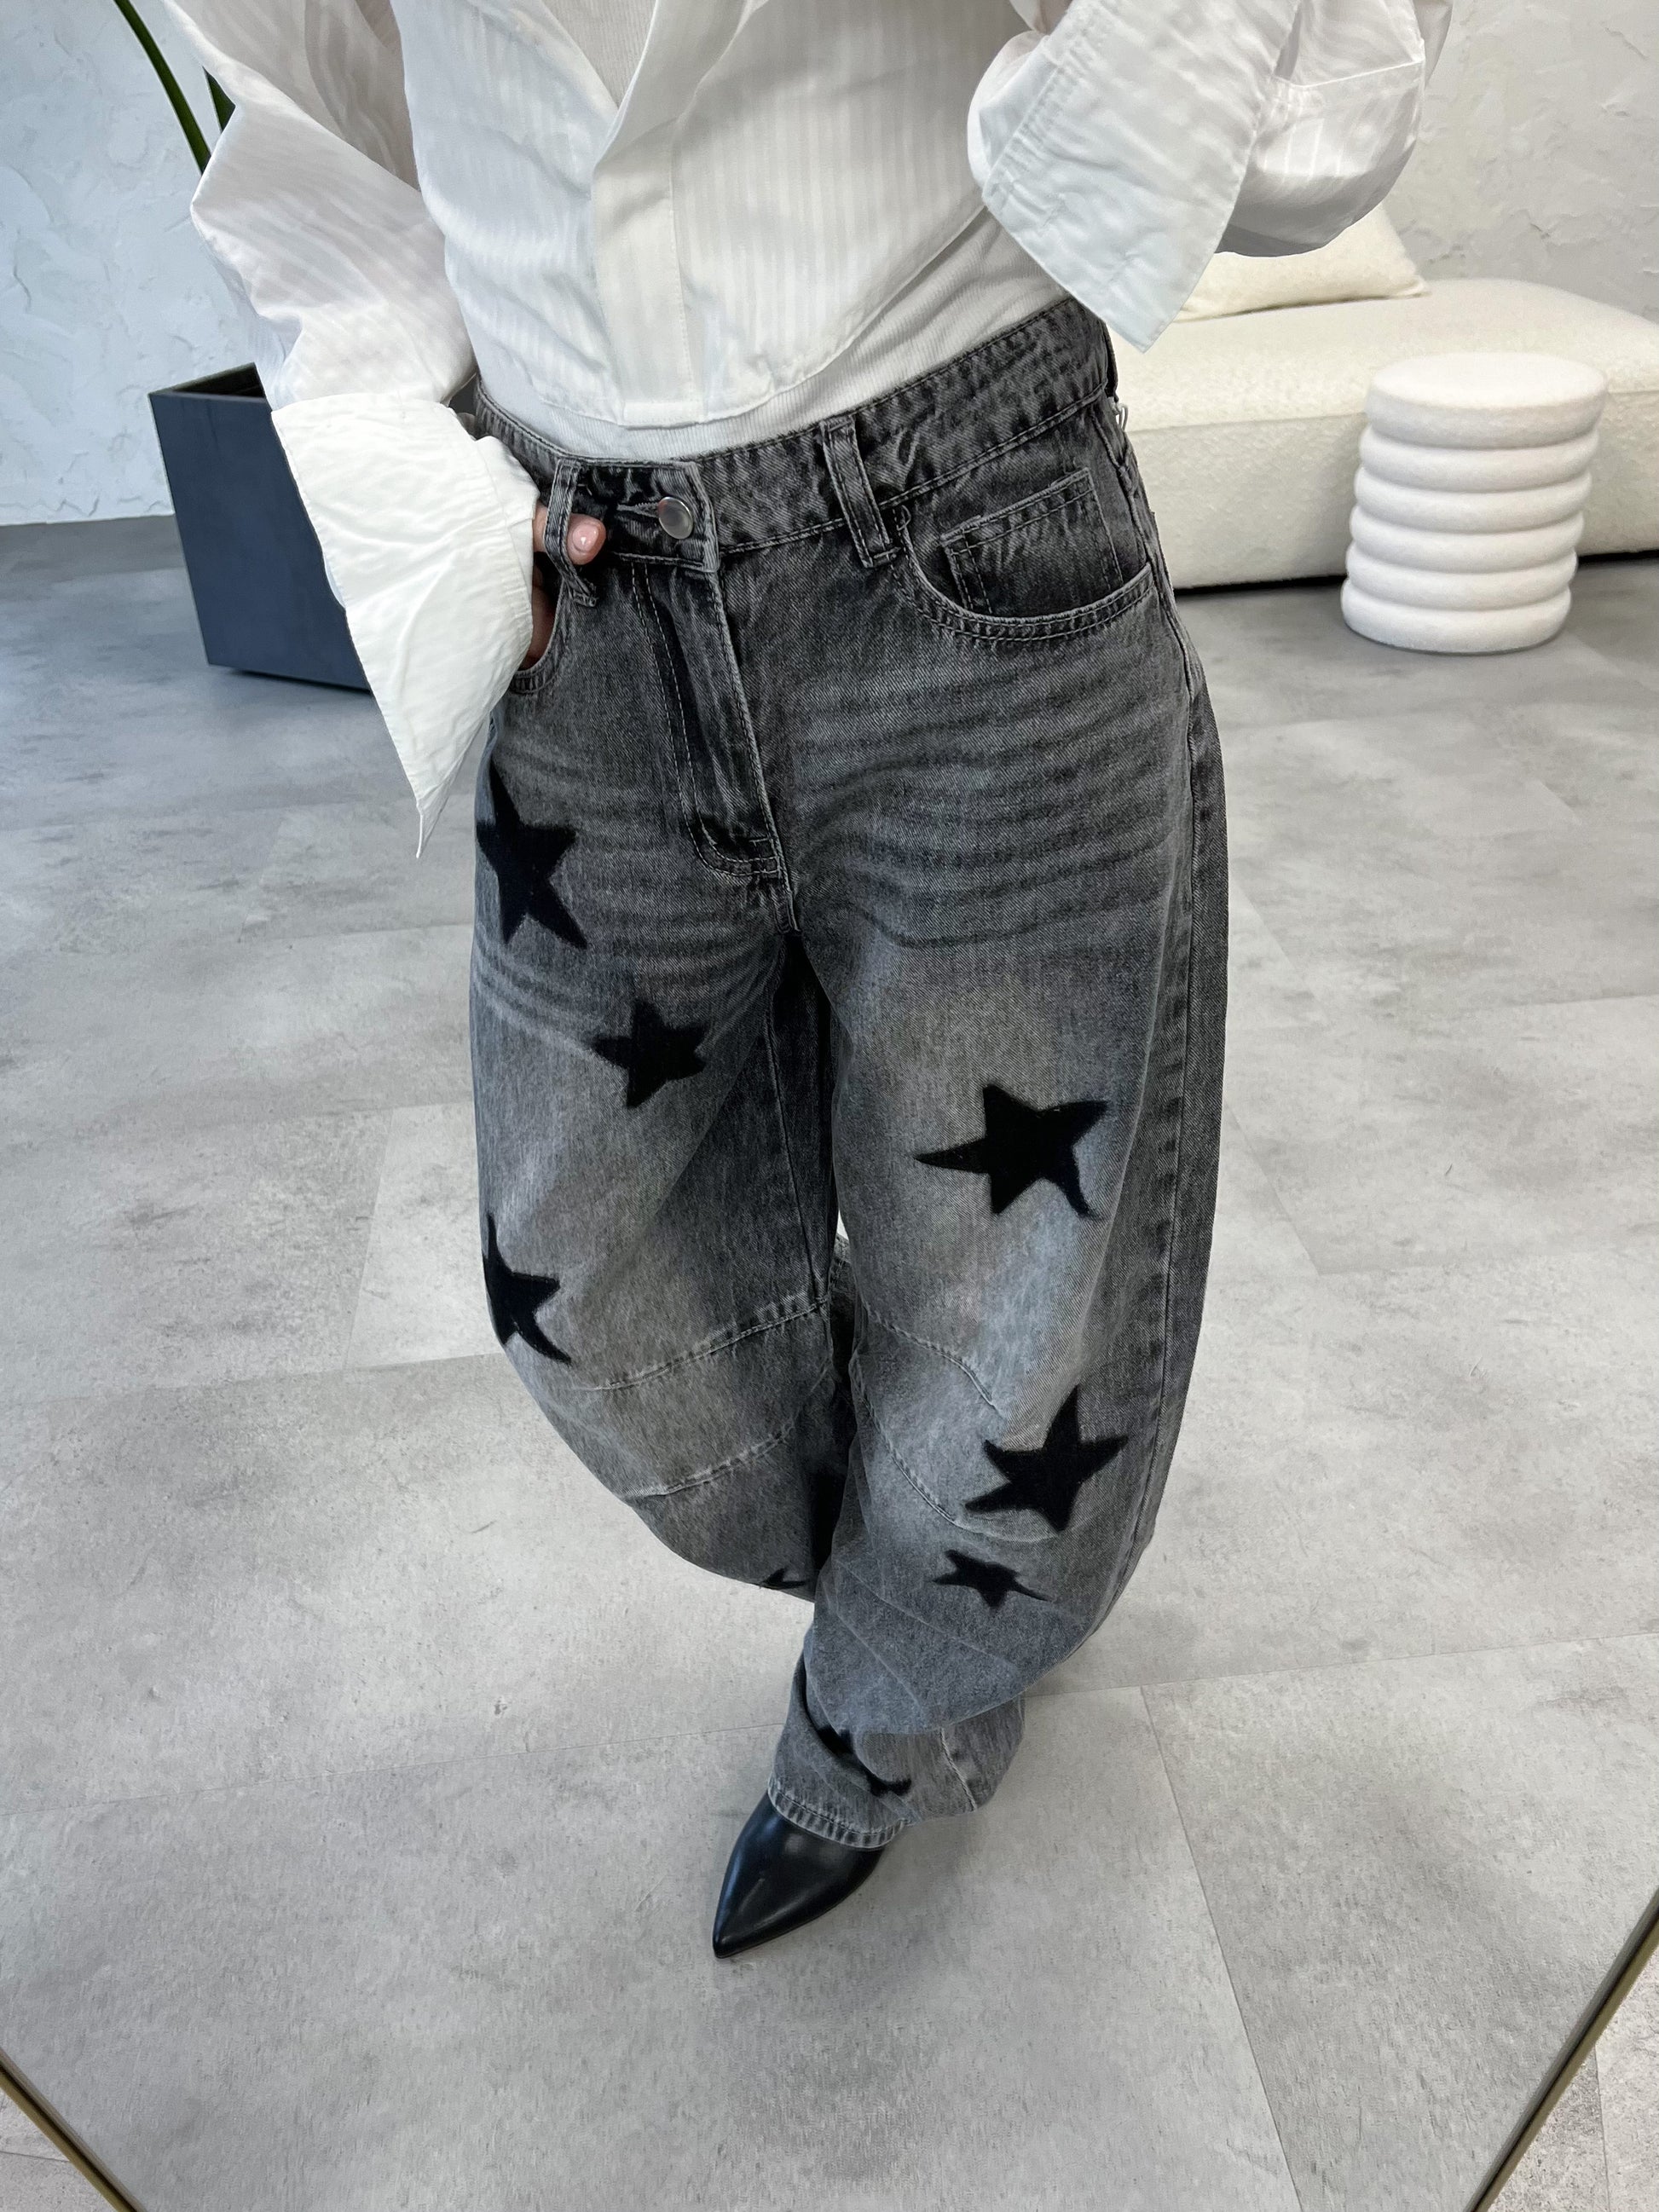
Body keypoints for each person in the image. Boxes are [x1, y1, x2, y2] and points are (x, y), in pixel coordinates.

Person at [168, 0, 1449, 1957]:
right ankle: (940, 1587)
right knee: (586, 1282)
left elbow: (1291, 136)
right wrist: (412, 484)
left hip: (974, 528)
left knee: (1018, 1295)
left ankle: (887, 1711)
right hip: (581, 577)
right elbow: (316, 113)